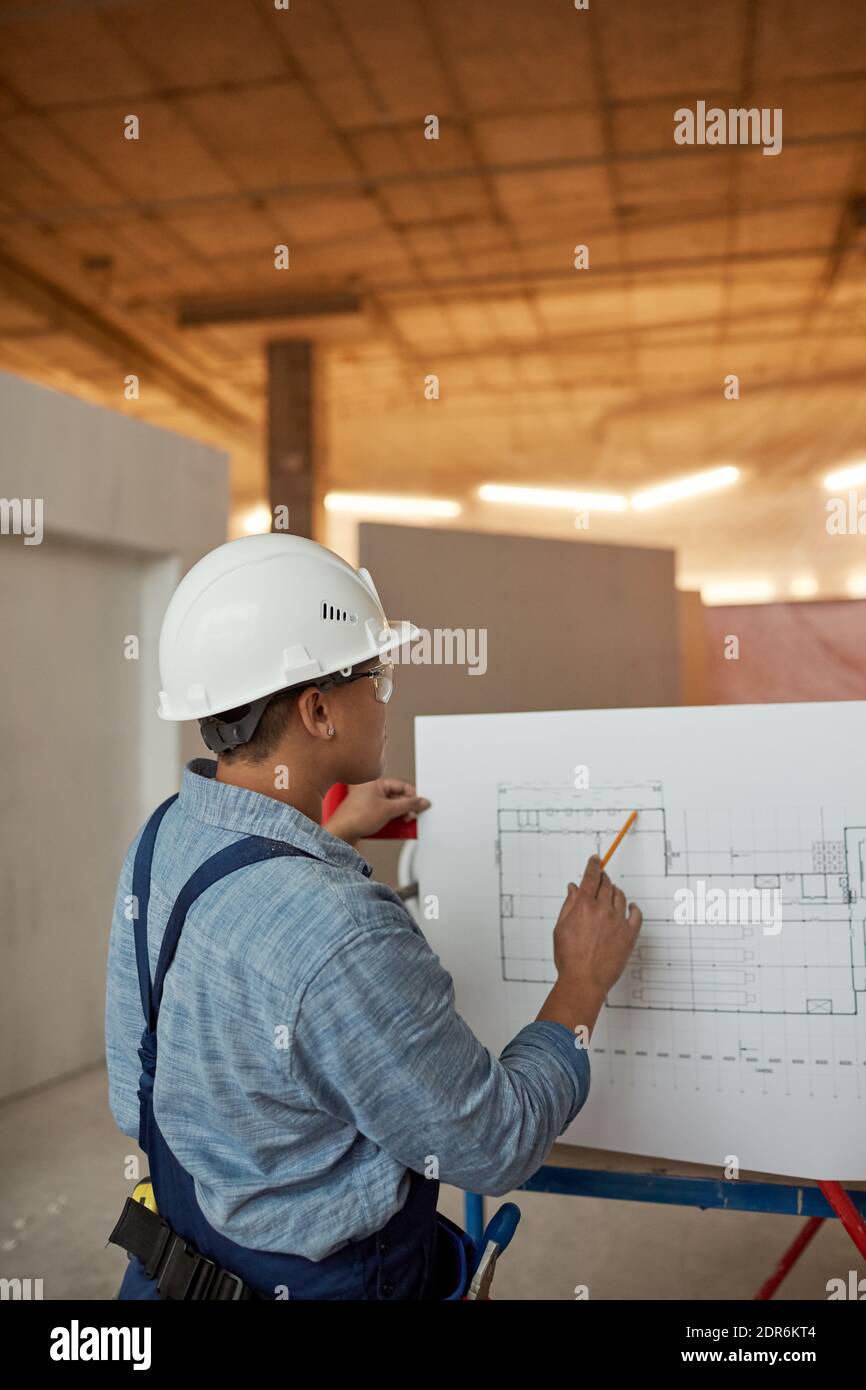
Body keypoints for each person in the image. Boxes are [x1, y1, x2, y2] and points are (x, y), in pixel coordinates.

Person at [105, 531, 643, 1300]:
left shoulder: (162, 839)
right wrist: (581, 985)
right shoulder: (341, 934)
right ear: (318, 708)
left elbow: (138, 1089)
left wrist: (320, 836)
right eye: (374, 675)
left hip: (166, 1279)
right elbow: (495, 1143)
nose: (386, 695)